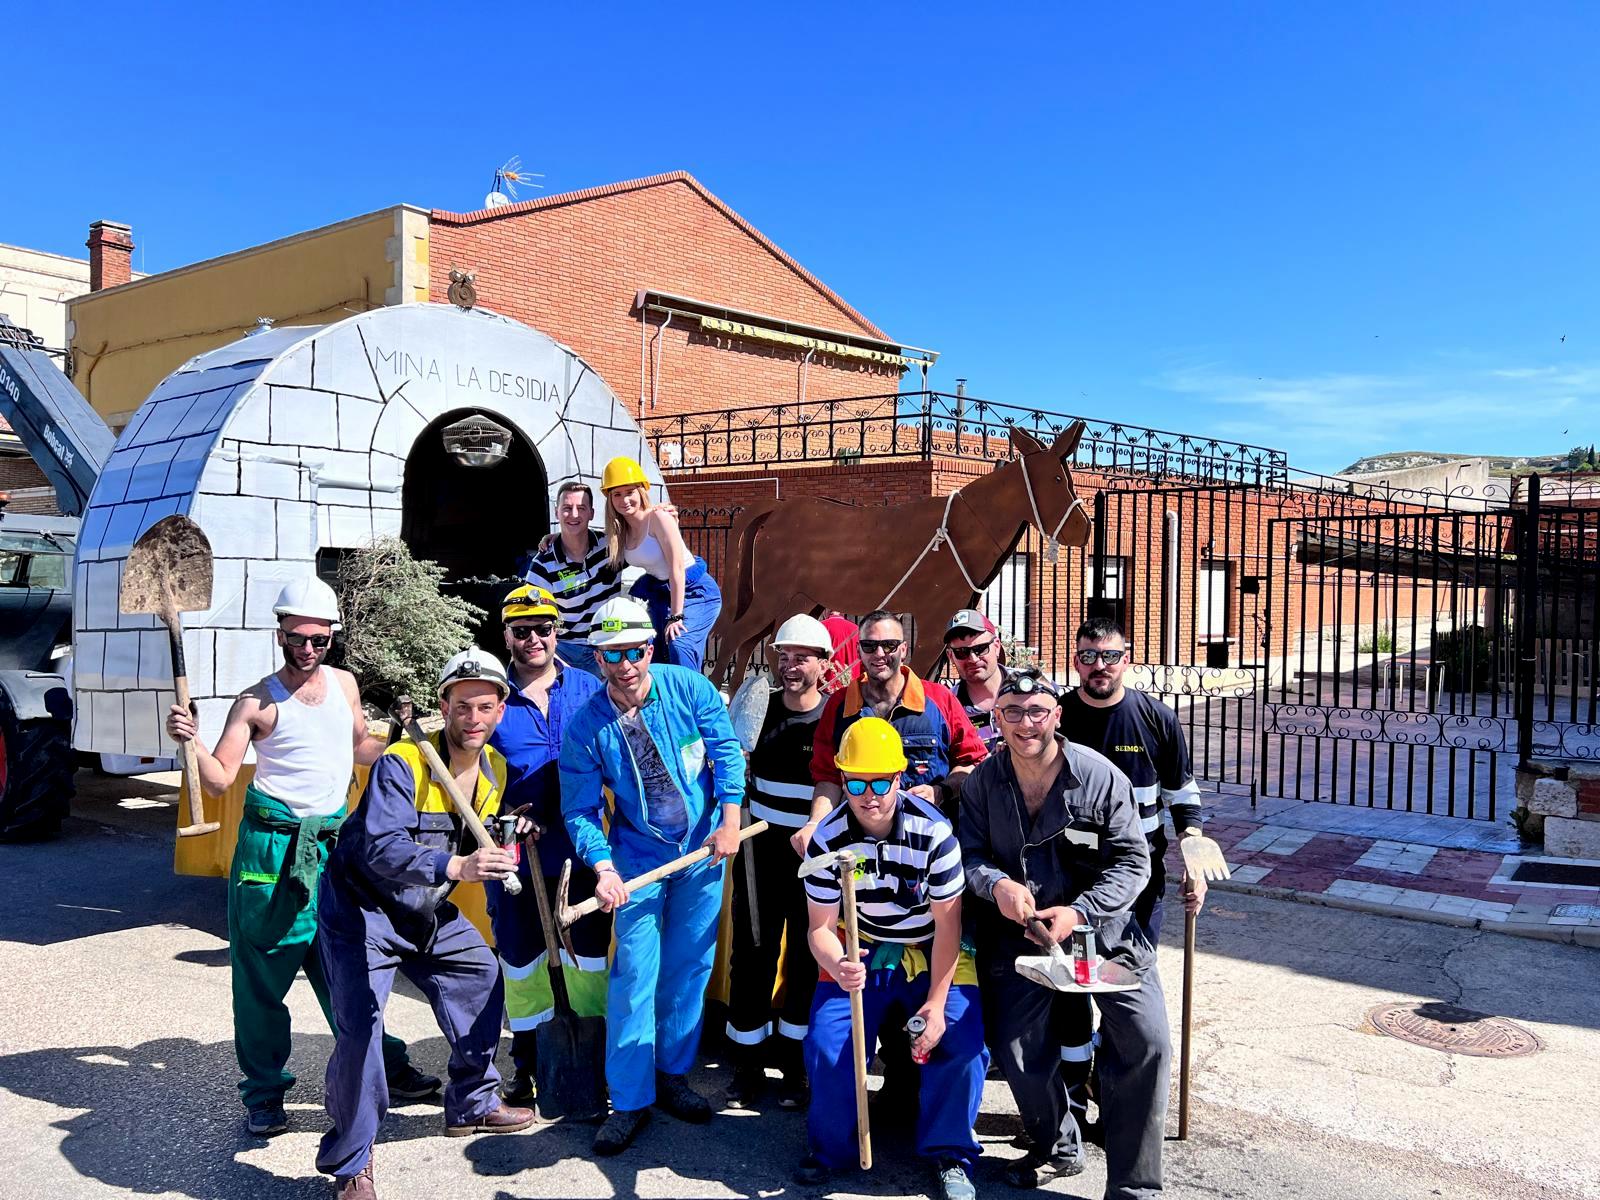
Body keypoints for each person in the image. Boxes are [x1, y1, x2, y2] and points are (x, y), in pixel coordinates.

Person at [162, 576, 436, 1138]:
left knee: (355, 968)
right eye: (295, 639)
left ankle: (387, 1063)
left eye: (318, 639)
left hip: (336, 850)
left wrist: (406, 743)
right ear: (280, 634)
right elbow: (215, 783)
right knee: (262, 981)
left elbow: (356, 743)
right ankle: (264, 1094)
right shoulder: (256, 703)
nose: (306, 650)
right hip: (274, 853)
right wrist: (187, 739)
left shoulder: (345, 685)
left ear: (332, 636)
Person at [316, 648, 533, 1200]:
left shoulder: (495, 769)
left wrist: (509, 831)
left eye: (486, 706)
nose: (474, 718)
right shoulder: (404, 761)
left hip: (423, 909)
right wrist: (456, 866)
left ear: (501, 710)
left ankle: (473, 1102)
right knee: (362, 1029)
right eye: (463, 706)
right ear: (444, 706)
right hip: (362, 909)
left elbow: (473, 832)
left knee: (482, 975)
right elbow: (381, 848)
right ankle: (352, 1163)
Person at [959, 669, 1169, 1198]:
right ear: (996, 718)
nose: (1025, 723)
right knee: (1018, 1052)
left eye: (1036, 711)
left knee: (1147, 1043)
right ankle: (1056, 1142)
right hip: (1020, 935)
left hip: (1106, 932)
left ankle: (1133, 1186)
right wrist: (996, 884)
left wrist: (1079, 912)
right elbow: (969, 855)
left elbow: (1133, 862)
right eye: (1012, 712)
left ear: (1057, 715)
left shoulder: (1101, 778)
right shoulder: (985, 782)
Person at [559, 595, 746, 1154]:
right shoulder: (587, 727)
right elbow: (579, 809)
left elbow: (726, 750)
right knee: (635, 973)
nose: (626, 664)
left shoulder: (688, 688)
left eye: (635, 650)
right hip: (636, 860)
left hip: (702, 852)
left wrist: (731, 818)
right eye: (613, 654)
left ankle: (672, 1076)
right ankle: (630, 1100)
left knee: (690, 967)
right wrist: (603, 866)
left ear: (650, 648)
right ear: (597, 659)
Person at [798, 717, 987, 1200]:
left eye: (881, 781)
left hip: (934, 948)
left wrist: (937, 1006)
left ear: (899, 779)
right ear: (842, 778)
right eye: (857, 781)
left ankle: (950, 1155)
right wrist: (839, 962)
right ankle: (832, 1150)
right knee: (827, 1045)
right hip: (861, 946)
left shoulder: (936, 833)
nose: (869, 794)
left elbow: (949, 925)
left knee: (960, 1045)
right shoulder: (827, 839)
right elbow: (819, 928)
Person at [485, 584, 606, 1102]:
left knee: (589, 961)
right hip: (518, 855)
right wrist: (504, 823)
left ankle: (594, 1066)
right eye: (522, 630)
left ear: (558, 631)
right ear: (506, 635)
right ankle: (527, 1065)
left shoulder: (589, 688)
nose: (534, 638)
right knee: (523, 961)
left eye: (544, 628)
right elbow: (472, 777)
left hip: (584, 852)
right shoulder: (490, 697)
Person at [725, 613, 833, 1110]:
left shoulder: (835, 717)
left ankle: (793, 1060)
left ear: (823, 663)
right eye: (784, 657)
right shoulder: (757, 708)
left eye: (801, 659)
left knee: (808, 956)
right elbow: (729, 765)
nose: (790, 667)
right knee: (753, 951)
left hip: (813, 854)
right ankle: (746, 1061)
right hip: (758, 849)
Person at [1058, 618, 1207, 943]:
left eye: (1110, 656)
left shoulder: (1158, 718)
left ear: (1126, 660)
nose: (1100, 666)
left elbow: (1181, 794)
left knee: (1133, 978)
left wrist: (1194, 852)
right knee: (1074, 981)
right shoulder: (1058, 718)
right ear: (1076, 663)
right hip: (1071, 869)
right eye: (1089, 657)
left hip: (1139, 869)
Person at [599, 455, 723, 671]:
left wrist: (676, 616)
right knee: (652, 649)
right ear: (610, 499)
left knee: (679, 644)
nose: (624, 499)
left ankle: (692, 698)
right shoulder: (620, 532)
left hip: (694, 591)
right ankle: (660, 701)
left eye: (630, 492)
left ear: (641, 491)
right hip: (661, 594)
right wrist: (552, 538)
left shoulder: (658, 518)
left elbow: (677, 569)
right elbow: (587, 541)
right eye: (616, 494)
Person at [523, 479, 624, 678]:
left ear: (591, 513)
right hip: (567, 652)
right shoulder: (543, 564)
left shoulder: (610, 546)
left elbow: (646, 543)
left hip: (608, 642)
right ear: (557, 512)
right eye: (567, 508)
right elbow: (531, 618)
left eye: (581, 508)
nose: (574, 514)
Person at [942, 607, 1013, 753]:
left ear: (997, 646)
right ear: (950, 656)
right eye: (962, 652)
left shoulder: (1033, 687)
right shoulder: (947, 708)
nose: (973, 659)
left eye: (980, 649)